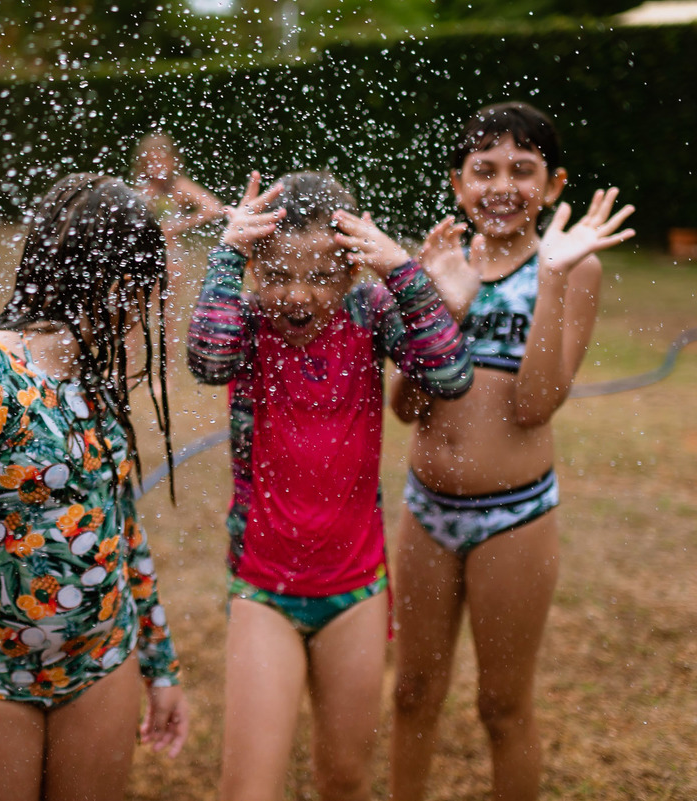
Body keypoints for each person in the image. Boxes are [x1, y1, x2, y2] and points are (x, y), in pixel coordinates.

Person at [0, 173, 188, 801]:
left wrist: (161, 665)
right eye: (143, 288)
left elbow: (123, 527)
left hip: (103, 663)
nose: (150, 306)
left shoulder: (95, 372)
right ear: (112, 283)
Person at [187, 171, 474, 801]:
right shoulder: (250, 325)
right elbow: (208, 360)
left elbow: (450, 375)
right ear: (256, 269)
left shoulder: (370, 314)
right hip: (265, 588)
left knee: (344, 780)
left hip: (357, 590)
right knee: (247, 790)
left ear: (351, 273)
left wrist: (402, 270)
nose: (297, 294)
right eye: (278, 273)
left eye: (321, 277)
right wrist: (227, 252)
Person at [387, 102, 635, 801]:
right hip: (426, 511)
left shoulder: (572, 269)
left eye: (523, 170)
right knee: (411, 691)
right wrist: (443, 309)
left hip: (514, 518)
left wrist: (552, 275)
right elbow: (404, 406)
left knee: (502, 706)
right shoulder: (440, 263)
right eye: (484, 170)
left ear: (552, 186)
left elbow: (533, 407)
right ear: (458, 186)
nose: (503, 185)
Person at [132, 131, 224, 241]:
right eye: (150, 163)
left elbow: (214, 208)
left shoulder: (179, 186)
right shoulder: (144, 189)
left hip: (175, 252)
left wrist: (177, 227)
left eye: (161, 162)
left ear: (172, 160)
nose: (156, 169)